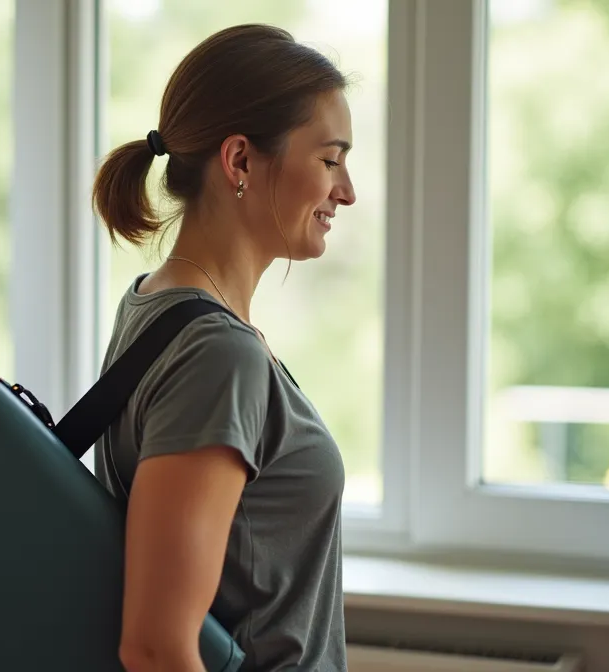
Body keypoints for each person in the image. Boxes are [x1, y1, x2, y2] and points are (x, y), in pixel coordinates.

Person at [90, 23, 357, 672]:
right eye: (329, 160)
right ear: (239, 161)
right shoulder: (216, 354)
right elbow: (155, 649)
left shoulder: (154, 306)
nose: (346, 192)